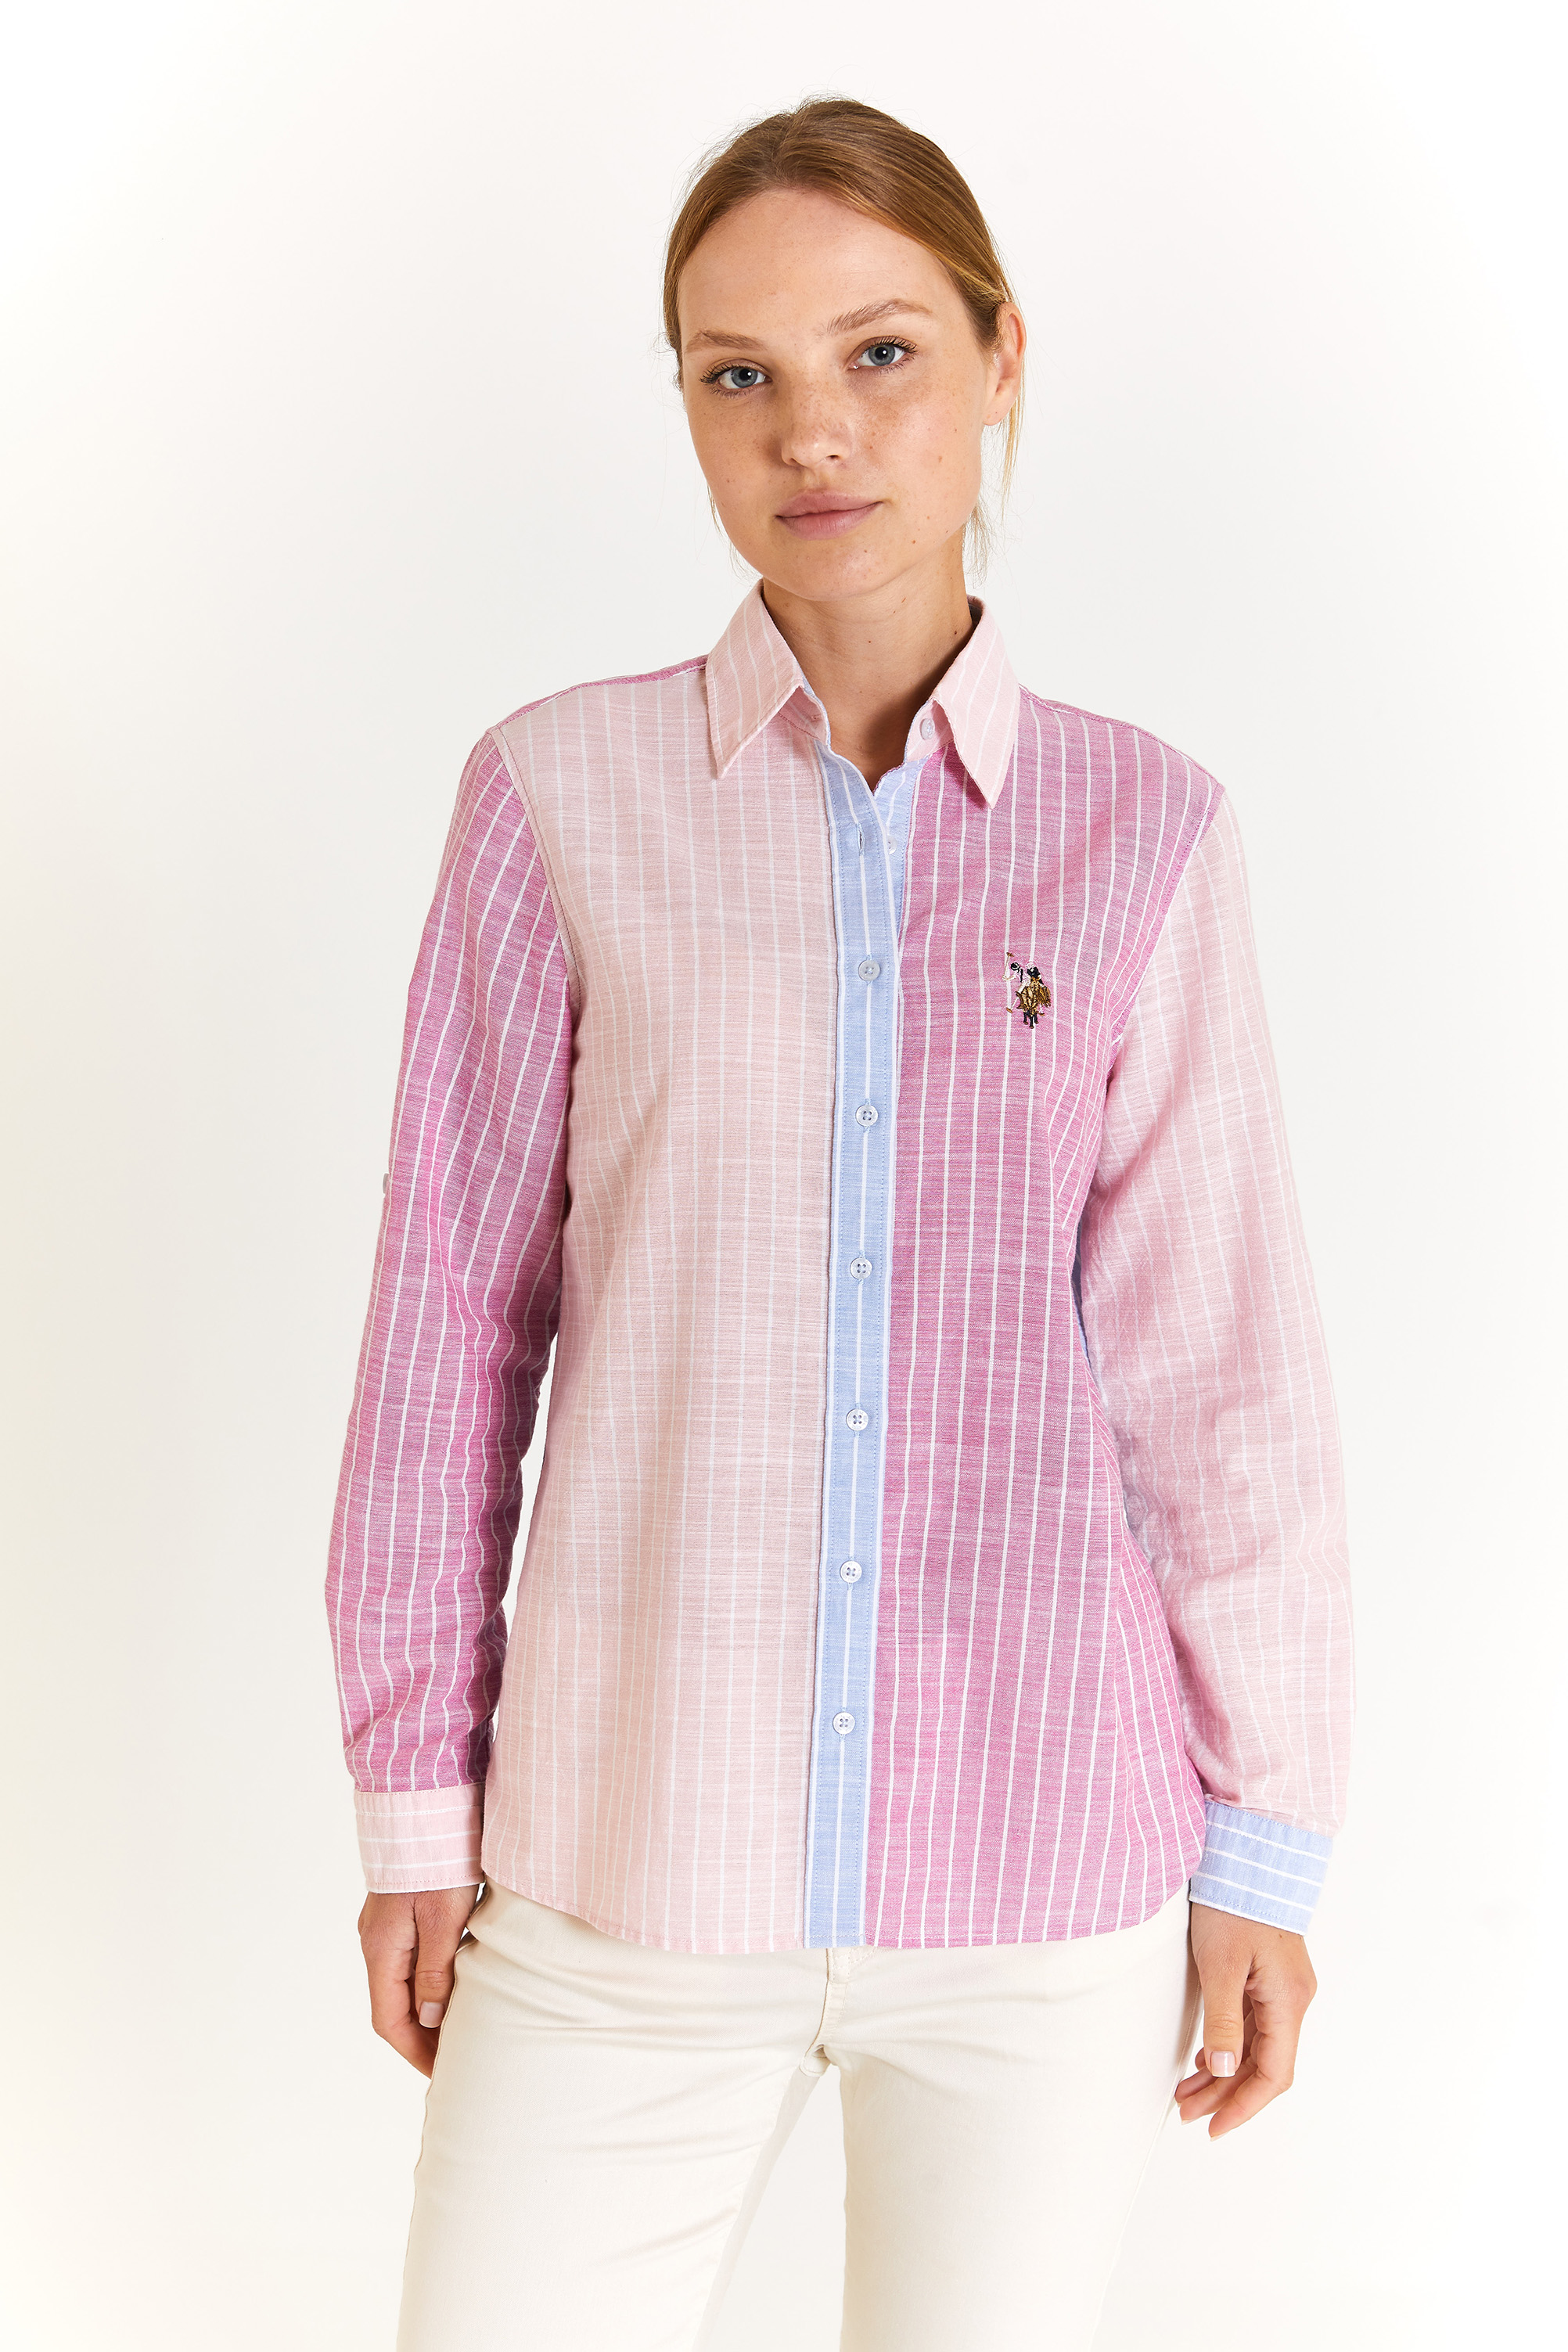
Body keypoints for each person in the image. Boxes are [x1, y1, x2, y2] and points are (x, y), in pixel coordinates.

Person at [325, 95, 1354, 2352]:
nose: (813, 430)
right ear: (688, 403)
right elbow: (446, 1337)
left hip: (1046, 1887)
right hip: (620, 1863)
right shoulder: (555, 797)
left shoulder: (1142, 830)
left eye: (880, 352)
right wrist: (413, 1800)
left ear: (1000, 358)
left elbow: (1219, 1375)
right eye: (740, 372)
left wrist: (1264, 1844)